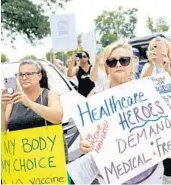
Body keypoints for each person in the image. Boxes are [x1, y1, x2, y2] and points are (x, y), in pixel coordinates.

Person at [80, 42, 164, 184]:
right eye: (112, 62)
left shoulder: (147, 89)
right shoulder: (95, 96)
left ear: (131, 64)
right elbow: (85, 133)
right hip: (114, 175)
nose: (118, 65)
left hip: (149, 174)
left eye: (124, 60)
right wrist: (84, 143)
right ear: (106, 67)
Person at [1, 60, 67, 160]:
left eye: (28, 74)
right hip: (22, 161)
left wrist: (29, 103)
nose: (24, 78)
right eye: (20, 74)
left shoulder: (49, 95)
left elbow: (58, 117)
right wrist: (2, 108)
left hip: (48, 159)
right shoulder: (13, 100)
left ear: (39, 76)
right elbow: (3, 131)